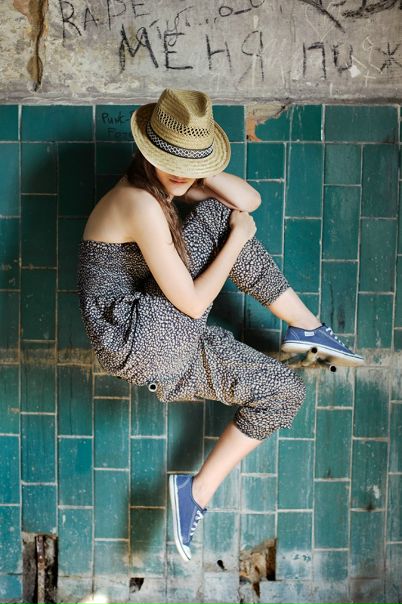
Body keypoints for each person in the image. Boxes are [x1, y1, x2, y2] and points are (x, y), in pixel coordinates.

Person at [77, 88, 364, 563]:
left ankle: (195, 492)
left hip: (160, 342)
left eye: (192, 160)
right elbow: (192, 304)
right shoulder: (137, 202)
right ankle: (306, 326)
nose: (182, 172)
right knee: (218, 219)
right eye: (172, 159)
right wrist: (235, 239)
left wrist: (197, 171)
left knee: (282, 392)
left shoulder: (168, 185)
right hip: (137, 333)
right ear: (150, 152)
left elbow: (250, 200)